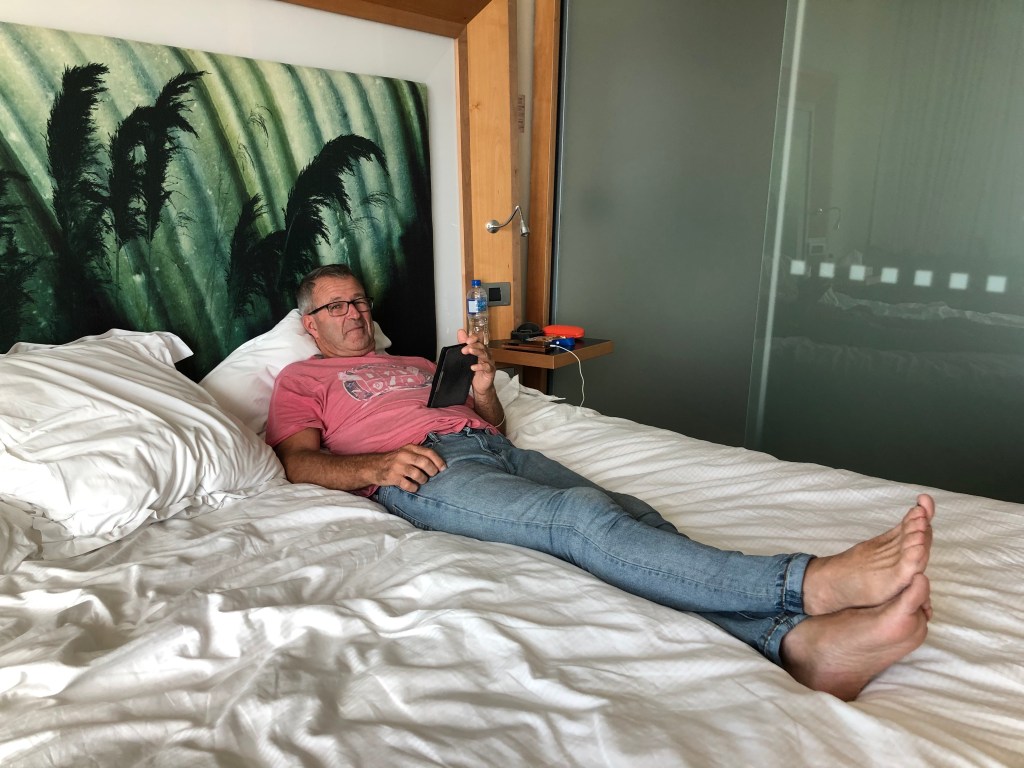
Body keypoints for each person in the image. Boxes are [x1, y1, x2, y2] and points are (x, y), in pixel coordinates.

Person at [267, 264, 935, 701]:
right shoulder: (300, 380)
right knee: (582, 519)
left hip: (492, 447)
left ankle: (796, 645)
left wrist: (483, 389)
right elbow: (297, 462)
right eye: (336, 305)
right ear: (310, 324)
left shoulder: (416, 362)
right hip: (425, 470)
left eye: (359, 300)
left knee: (630, 513)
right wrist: (375, 467)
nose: (354, 312)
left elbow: (493, 422)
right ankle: (804, 584)